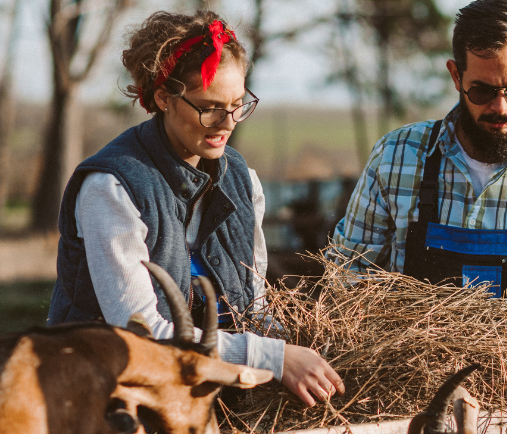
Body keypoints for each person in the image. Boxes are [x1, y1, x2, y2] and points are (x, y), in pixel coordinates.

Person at [47, 11, 344, 407]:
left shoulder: (244, 181)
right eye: (210, 107)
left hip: (211, 405)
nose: (228, 122)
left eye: (239, 104)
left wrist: (305, 347)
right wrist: (274, 358)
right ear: (163, 98)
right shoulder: (112, 187)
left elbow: (251, 309)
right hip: (105, 407)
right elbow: (142, 337)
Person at [329, 0, 507, 398]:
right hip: (406, 389)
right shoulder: (397, 156)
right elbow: (348, 276)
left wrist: (494, 371)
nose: (501, 106)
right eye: (481, 90)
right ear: (455, 75)